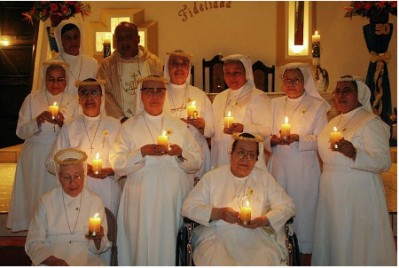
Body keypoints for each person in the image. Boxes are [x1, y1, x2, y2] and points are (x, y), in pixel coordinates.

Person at [110, 75, 202, 265]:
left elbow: (197, 161)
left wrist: (179, 153)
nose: (154, 95)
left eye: (159, 91)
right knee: (140, 245)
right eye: (149, 90)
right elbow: (117, 164)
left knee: (169, 245)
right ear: (141, 95)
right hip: (140, 200)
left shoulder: (178, 126)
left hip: (172, 199)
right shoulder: (128, 127)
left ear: (165, 95)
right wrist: (141, 152)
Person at [312, 75, 396, 265]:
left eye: (347, 91)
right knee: (335, 236)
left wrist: (355, 153)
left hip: (358, 193)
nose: (341, 95)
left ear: (359, 94)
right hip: (331, 191)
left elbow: (383, 161)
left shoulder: (370, 122)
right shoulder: (333, 122)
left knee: (356, 238)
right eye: (338, 91)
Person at [182, 132, 295, 265]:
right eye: (241, 152)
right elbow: (188, 207)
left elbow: (289, 206)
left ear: (256, 159)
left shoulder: (265, 179)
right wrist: (218, 213)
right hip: (218, 234)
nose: (245, 159)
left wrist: (264, 220)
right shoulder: (212, 177)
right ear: (231, 153)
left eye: (251, 155)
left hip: (256, 235)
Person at [265, 62, 330, 258]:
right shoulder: (274, 104)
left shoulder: (317, 106)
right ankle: (277, 251)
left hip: (304, 169)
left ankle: (302, 252)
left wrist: (298, 138)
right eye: (287, 80)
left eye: (296, 80)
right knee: (277, 205)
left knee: (303, 210)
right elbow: (265, 135)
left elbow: (321, 138)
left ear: (305, 82)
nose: (291, 84)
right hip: (278, 165)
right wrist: (272, 140)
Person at [7, 61, 79, 232]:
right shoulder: (32, 98)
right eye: (51, 79)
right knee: (35, 194)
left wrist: (63, 123)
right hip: (35, 155)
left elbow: (77, 131)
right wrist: (37, 121)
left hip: (60, 155)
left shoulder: (74, 101)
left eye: (60, 79)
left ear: (66, 81)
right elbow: (20, 131)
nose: (55, 84)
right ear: (45, 80)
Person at [46, 78, 121, 216]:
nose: (89, 97)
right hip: (77, 189)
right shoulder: (69, 127)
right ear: (79, 99)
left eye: (94, 92)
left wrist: (113, 171)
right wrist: (77, 167)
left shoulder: (116, 125)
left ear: (101, 97)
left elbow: (125, 160)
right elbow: (51, 162)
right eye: (84, 93)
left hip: (108, 189)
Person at [25, 148, 110, 266]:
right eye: (67, 177)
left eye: (78, 176)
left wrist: (97, 239)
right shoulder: (46, 201)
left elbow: (99, 249)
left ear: (84, 175)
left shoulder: (95, 201)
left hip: (86, 258)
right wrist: (53, 261)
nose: (73, 182)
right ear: (59, 177)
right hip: (50, 259)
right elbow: (33, 243)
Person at [211, 54, 271, 169]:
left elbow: (267, 130)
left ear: (246, 74)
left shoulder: (258, 97)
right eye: (227, 72)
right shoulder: (219, 98)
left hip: (246, 160)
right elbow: (214, 130)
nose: (231, 77)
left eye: (236, 72)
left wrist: (243, 129)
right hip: (221, 158)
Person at [163, 49, 214, 182]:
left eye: (184, 64)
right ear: (167, 67)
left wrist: (203, 126)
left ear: (189, 68)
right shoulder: (159, 93)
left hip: (197, 152)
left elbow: (212, 130)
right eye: (174, 63)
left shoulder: (200, 95)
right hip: (170, 154)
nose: (179, 68)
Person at [97, 22, 163, 123]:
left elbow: (161, 91)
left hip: (149, 121)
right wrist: (121, 118)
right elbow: (103, 93)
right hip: (119, 123)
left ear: (138, 39)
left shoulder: (153, 62)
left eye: (128, 37)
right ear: (116, 41)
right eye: (120, 39)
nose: (124, 42)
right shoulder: (107, 65)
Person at [53, 20, 99, 95]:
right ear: (61, 40)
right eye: (68, 38)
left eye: (76, 37)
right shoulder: (53, 64)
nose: (73, 41)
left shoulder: (92, 63)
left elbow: (98, 91)